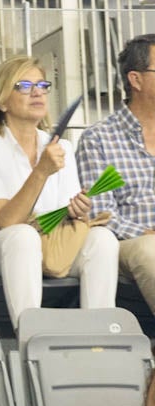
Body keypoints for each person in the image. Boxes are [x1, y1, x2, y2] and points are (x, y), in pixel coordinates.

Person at [0, 54, 118, 325]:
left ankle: (100, 338)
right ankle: (31, 338)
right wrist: (41, 171)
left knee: (103, 239)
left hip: (44, 243)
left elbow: (60, 219)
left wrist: (77, 213)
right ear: (1, 101)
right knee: (21, 236)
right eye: (23, 86)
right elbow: (4, 222)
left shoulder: (62, 148)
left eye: (43, 86)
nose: (37, 93)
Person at [79, 35, 155, 316]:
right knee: (151, 250)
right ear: (135, 80)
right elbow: (100, 213)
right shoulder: (99, 138)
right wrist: (148, 233)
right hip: (129, 244)